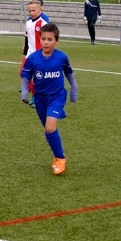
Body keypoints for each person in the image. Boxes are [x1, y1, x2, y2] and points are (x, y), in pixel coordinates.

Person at [21, 23, 78, 175]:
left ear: (56, 41)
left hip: (57, 96)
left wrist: (74, 89)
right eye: (43, 39)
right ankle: (56, 155)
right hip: (40, 98)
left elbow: (69, 73)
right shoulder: (33, 58)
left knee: (50, 128)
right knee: (48, 129)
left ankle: (60, 158)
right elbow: (26, 75)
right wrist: (24, 92)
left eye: (50, 39)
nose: (46, 42)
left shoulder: (62, 57)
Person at [22, 0, 49, 107]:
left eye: (34, 10)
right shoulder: (28, 23)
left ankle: (39, 98)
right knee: (23, 73)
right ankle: (34, 94)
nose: (31, 13)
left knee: (39, 77)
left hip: (40, 54)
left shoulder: (43, 23)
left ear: (39, 10)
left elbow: (48, 39)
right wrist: (25, 52)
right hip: (30, 54)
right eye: (30, 11)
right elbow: (27, 38)